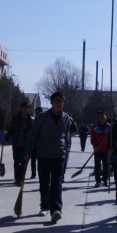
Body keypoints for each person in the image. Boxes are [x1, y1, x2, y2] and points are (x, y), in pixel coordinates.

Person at [25, 92, 73, 223]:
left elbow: (67, 138)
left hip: (59, 155)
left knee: (57, 184)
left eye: (61, 101)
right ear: (51, 102)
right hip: (44, 155)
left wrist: (66, 154)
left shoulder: (66, 118)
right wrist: (28, 150)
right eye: (57, 101)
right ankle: (44, 206)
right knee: (44, 183)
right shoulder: (43, 117)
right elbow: (34, 135)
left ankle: (56, 209)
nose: (59, 103)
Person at [5, 101, 34, 186]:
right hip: (17, 143)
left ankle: (21, 179)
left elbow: (33, 134)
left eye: (27, 108)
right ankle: (17, 179)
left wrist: (33, 144)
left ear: (29, 109)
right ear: (21, 109)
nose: (25, 109)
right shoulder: (16, 118)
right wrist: (6, 138)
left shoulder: (31, 120)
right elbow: (11, 129)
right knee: (16, 162)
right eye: (24, 108)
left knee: (23, 162)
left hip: (26, 144)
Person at [90, 110, 111, 188]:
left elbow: (112, 139)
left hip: (106, 150)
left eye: (103, 116)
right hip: (97, 150)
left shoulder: (109, 127)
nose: (102, 118)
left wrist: (110, 147)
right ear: (98, 118)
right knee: (97, 166)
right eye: (100, 116)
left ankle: (105, 179)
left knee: (106, 165)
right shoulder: (95, 127)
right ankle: (98, 181)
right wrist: (95, 146)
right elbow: (92, 138)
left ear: (106, 117)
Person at [29, 106, 43, 179]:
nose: (38, 114)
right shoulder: (33, 122)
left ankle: (41, 174)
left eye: (39, 112)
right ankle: (33, 174)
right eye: (37, 112)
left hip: (41, 145)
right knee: (33, 160)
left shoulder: (44, 122)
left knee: (40, 161)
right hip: (34, 144)